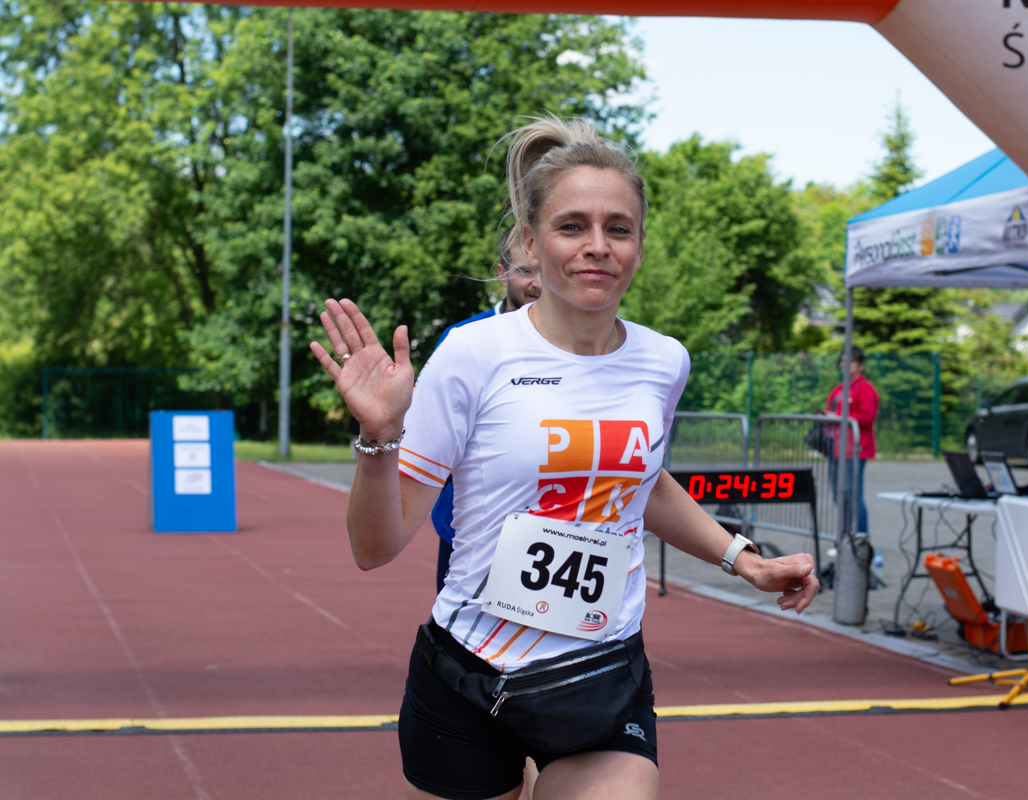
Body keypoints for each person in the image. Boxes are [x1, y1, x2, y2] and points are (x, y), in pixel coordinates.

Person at [310, 115, 819, 800]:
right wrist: (379, 438)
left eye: (619, 228)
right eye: (572, 226)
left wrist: (743, 558)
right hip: (470, 675)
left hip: (600, 677)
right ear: (531, 241)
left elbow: (643, 482)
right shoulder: (473, 354)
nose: (597, 247)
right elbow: (374, 548)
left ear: (640, 244)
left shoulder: (664, 361)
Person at [429, 227, 542, 593]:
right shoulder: (464, 339)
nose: (538, 284)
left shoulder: (586, 343)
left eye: (546, 270)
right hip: (471, 530)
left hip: (558, 530)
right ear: (502, 274)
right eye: (526, 271)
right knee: (461, 626)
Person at [823, 346, 879, 534]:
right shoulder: (839, 389)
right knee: (839, 495)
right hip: (835, 449)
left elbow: (867, 417)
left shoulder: (866, 388)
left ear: (861, 366)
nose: (844, 364)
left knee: (852, 496)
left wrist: (837, 416)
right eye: (842, 361)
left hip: (854, 450)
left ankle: (859, 538)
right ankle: (846, 535)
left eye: (850, 361)